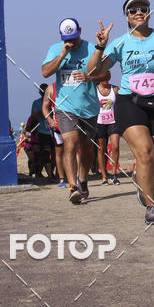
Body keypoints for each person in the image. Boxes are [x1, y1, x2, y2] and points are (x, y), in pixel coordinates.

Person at [87, 0, 154, 225]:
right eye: (133, 10)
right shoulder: (120, 43)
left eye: (143, 8)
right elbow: (93, 70)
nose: (139, 12)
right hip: (129, 103)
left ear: (149, 13)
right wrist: (101, 46)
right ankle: (151, 207)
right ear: (127, 16)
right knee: (144, 153)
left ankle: (140, 178)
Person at [41, 17, 107, 204]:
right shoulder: (56, 49)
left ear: (80, 31)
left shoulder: (91, 48)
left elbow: (107, 74)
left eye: (74, 37)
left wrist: (89, 77)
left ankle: (83, 179)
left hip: (89, 107)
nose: (71, 42)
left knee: (87, 149)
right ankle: (73, 187)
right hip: (65, 106)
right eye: (67, 38)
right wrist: (62, 54)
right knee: (70, 144)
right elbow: (45, 72)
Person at [95, 73, 121, 184]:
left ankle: (114, 174)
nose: (106, 80)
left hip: (113, 121)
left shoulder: (115, 89)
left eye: (107, 78)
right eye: (103, 78)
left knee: (115, 146)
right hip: (99, 122)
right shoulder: (94, 90)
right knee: (101, 148)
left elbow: (122, 103)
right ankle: (104, 176)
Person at [41, 81, 66, 186]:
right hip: (57, 127)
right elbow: (44, 107)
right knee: (59, 153)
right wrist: (50, 121)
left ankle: (77, 177)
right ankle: (61, 179)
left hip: (72, 126)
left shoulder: (74, 85)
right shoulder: (51, 88)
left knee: (74, 152)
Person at [32, 83, 56, 177]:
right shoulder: (37, 103)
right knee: (45, 153)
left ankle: (52, 172)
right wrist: (43, 111)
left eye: (45, 91)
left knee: (55, 154)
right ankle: (48, 174)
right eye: (42, 92)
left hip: (54, 131)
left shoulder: (54, 101)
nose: (43, 93)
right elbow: (33, 117)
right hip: (43, 131)